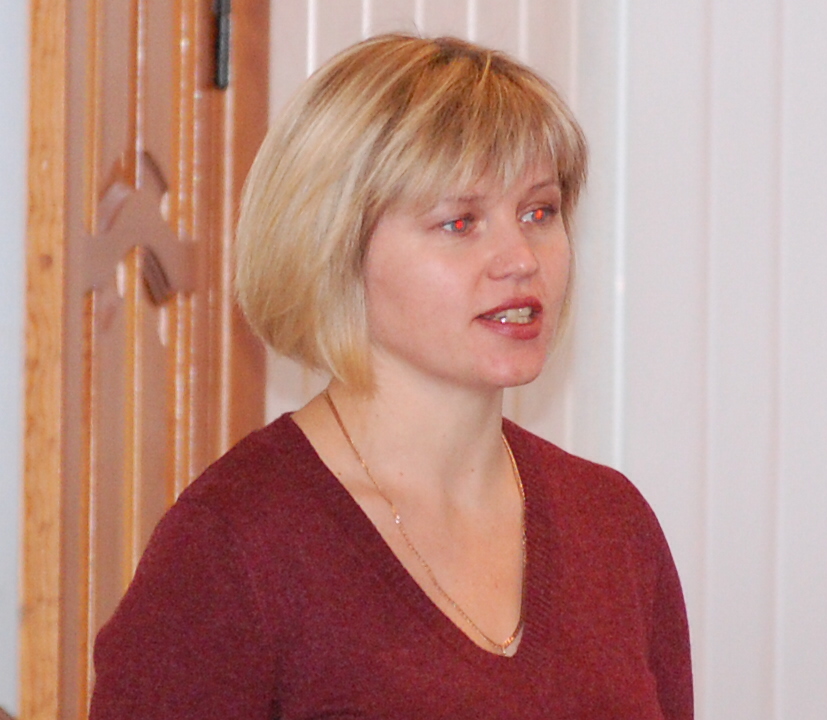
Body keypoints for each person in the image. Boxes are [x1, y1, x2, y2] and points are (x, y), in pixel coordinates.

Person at [89, 34, 693, 719]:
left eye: (539, 212)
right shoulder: (231, 547)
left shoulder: (613, 526)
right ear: (334, 248)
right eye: (460, 222)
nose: (521, 258)